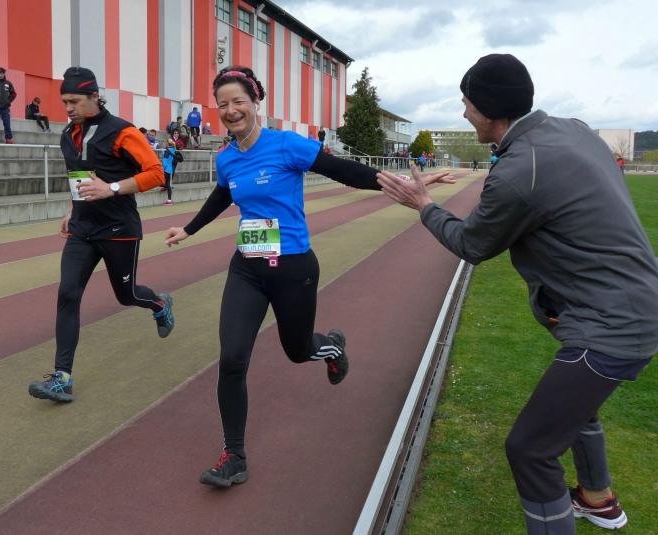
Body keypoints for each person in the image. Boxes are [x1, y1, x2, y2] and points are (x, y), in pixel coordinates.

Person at [377, 53, 658, 535]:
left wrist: (422, 204)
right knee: (574, 408)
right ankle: (598, 499)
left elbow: (472, 244)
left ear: (490, 110)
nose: (464, 113)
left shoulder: (515, 172)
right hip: (631, 305)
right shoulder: (575, 129)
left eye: (467, 104)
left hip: (610, 325)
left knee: (530, 449)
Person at [164, 65, 453, 489]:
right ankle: (234, 456)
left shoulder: (287, 145)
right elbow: (222, 195)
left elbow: (345, 170)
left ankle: (332, 347)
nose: (230, 110)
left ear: (255, 102)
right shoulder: (226, 158)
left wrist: (406, 185)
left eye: (238, 101)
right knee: (232, 359)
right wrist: (189, 229)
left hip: (293, 269)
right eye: (222, 104)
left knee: (297, 351)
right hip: (247, 268)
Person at [28, 66, 174, 403]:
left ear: (94, 96)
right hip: (82, 229)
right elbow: (79, 178)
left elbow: (156, 173)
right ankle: (62, 379)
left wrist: (111, 188)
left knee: (126, 295)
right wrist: (71, 209)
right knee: (68, 294)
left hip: (119, 229)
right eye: (65, 102)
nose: (68, 108)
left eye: (74, 101)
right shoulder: (68, 134)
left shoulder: (122, 132)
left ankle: (159, 303)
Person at [0, 67, 16, 143]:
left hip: (5, 107)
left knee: (7, 123)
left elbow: (13, 94)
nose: (1, 75)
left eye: (2, 73)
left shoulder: (8, 83)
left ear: (4, 74)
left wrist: (8, 101)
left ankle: (8, 138)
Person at [161, 139, 179, 205]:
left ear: (167, 144)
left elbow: (165, 162)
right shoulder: (173, 150)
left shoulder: (166, 151)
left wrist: (162, 169)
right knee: (168, 184)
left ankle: (166, 186)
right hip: (170, 169)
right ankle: (169, 200)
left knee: (158, 182)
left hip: (166, 169)